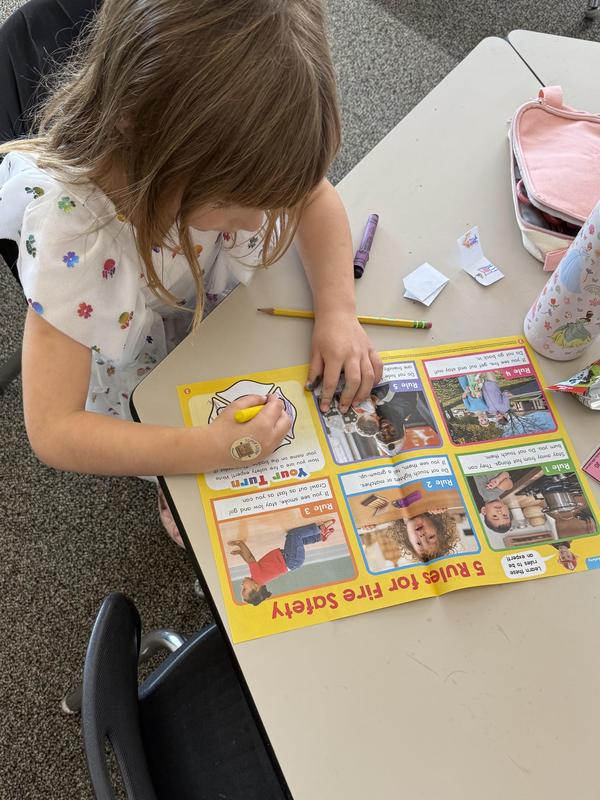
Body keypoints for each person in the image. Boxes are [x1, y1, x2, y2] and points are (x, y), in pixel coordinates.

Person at [0, 0, 383, 542]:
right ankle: (171, 466)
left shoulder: (211, 159)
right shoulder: (76, 238)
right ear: (143, 139)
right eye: (234, 203)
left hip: (218, 318)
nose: (260, 220)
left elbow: (314, 196)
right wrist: (204, 449)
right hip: (143, 369)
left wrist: (339, 309)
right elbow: (54, 430)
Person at [230, 519, 335, 605]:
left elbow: (249, 561)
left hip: (291, 561)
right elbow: (250, 558)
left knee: (298, 541)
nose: (242, 585)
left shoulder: (258, 579)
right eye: (244, 589)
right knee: (293, 535)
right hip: (291, 559)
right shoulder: (257, 577)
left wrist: (240, 552)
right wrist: (240, 543)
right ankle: (319, 529)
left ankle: (320, 537)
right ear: (256, 587)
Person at [387, 511, 461, 563]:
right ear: (437, 526)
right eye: (431, 537)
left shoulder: (387, 514)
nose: (422, 537)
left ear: (408, 541)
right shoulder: (430, 503)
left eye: (419, 543)